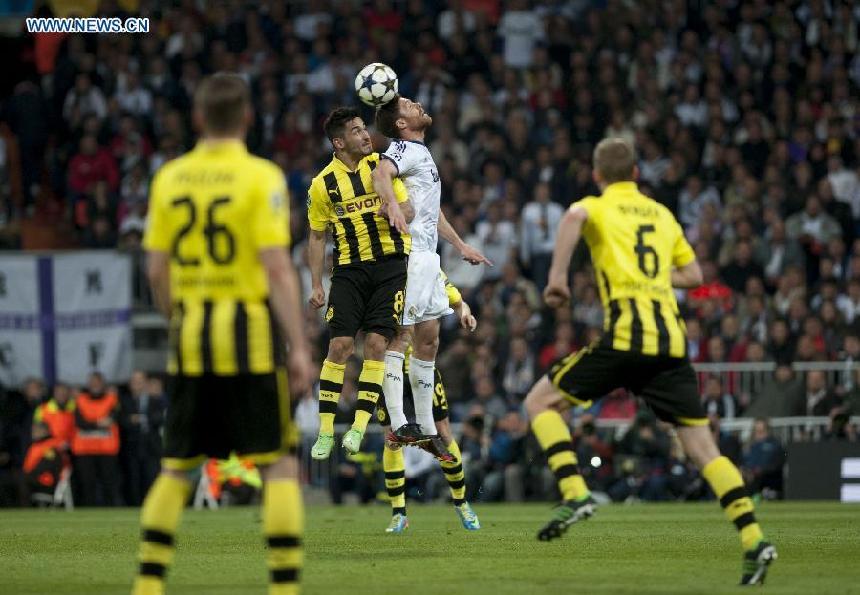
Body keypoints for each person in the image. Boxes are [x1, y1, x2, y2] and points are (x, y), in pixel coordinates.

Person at [523, 138, 776, 585]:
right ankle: (754, 539)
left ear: (598, 175)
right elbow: (695, 276)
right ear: (637, 173)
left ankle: (574, 489)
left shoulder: (596, 206)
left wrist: (557, 277)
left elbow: (573, 216)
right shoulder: (661, 214)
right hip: (672, 346)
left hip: (626, 338)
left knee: (539, 403)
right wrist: (655, 275)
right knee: (703, 450)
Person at [133, 73, 312, 595]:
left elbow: (155, 269)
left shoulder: (170, 177)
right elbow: (277, 268)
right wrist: (298, 346)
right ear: (248, 118)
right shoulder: (261, 177)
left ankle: (147, 586)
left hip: (191, 336)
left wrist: (178, 318)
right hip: (251, 340)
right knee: (278, 465)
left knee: (176, 468)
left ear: (197, 118)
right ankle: (283, 589)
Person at [372, 94, 490, 458]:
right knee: (402, 336)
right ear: (401, 125)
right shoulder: (403, 148)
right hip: (407, 256)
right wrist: (391, 205)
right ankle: (397, 421)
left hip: (427, 254)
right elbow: (381, 172)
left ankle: (425, 426)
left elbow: (429, 210)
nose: (418, 106)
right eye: (409, 105)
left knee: (429, 340)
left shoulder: (421, 153)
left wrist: (459, 246)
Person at [305, 106, 413, 460]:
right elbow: (317, 236)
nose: (366, 135)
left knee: (378, 345)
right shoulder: (323, 185)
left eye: (364, 128)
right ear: (339, 142)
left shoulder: (381, 167)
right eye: (356, 131)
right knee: (339, 347)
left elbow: (409, 209)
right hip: (349, 271)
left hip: (390, 265)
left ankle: (357, 428)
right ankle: (324, 433)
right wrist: (316, 283)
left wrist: (394, 212)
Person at [376, 273, 480, 532]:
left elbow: (457, 300)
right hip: (390, 369)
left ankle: (461, 502)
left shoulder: (428, 267)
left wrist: (465, 312)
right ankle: (399, 513)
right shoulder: (385, 267)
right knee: (391, 438)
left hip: (421, 368)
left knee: (442, 432)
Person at [72, 372, 122, 507]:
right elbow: (80, 423)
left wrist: (91, 423)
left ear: (103, 383)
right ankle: (88, 513)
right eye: (92, 382)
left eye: (97, 381)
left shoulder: (112, 399)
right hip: (85, 450)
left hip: (107, 449)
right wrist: (99, 423)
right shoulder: (80, 400)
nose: (95, 385)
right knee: (87, 485)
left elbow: (113, 418)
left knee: (109, 484)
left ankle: (110, 513)